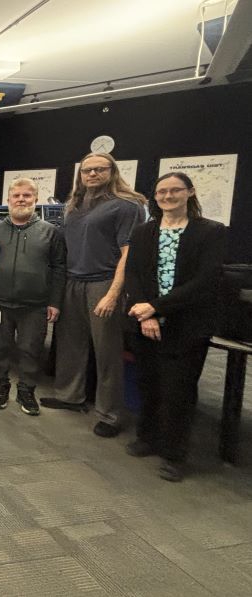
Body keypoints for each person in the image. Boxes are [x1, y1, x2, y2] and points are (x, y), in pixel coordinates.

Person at [124, 172, 227, 482]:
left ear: (190, 192)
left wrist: (157, 307)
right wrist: (146, 314)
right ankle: (148, 437)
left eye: (175, 190)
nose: (168, 196)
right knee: (148, 382)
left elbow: (206, 281)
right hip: (146, 322)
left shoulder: (210, 232)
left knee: (178, 390)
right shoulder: (144, 232)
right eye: (162, 192)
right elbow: (133, 274)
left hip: (187, 325)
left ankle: (174, 454)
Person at [40, 153, 146, 438]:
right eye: (87, 170)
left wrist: (113, 294)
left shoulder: (127, 205)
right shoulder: (75, 204)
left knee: (107, 351)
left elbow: (129, 253)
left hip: (104, 282)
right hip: (73, 281)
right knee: (69, 344)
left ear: (112, 171)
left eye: (99, 169)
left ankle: (110, 414)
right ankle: (69, 396)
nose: (92, 174)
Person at [0, 178, 65, 416]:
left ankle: (26, 390)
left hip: (35, 305)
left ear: (35, 199)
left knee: (30, 350)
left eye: (26, 196)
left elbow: (59, 268)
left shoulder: (50, 232)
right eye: (16, 196)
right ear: (8, 200)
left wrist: (55, 301)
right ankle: (1, 386)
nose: (21, 200)